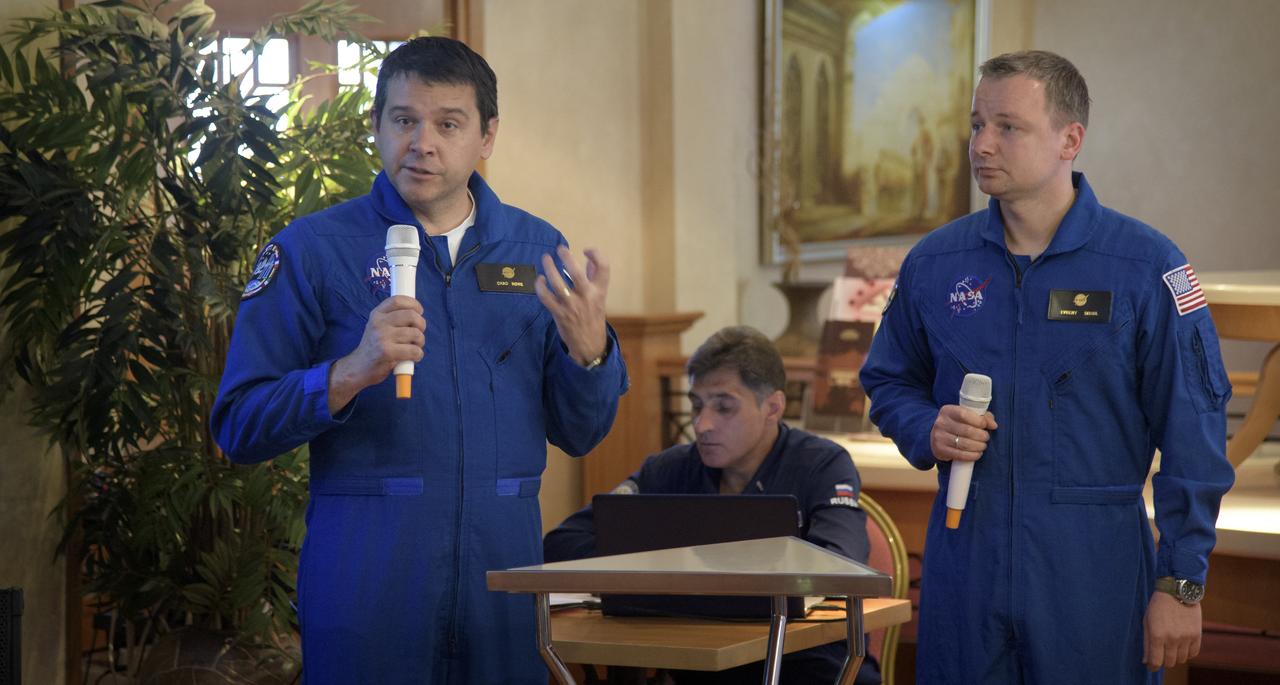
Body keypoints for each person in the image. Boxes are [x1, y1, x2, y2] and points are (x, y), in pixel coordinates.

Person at [211, 37, 628, 684]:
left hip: (502, 585)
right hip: (368, 584)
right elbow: (238, 424)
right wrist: (350, 371)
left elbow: (582, 433)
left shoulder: (536, 248)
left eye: (448, 123)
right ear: (376, 125)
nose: (422, 142)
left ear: (487, 136)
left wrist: (591, 352)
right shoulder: (312, 250)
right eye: (404, 119)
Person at [859, 50, 1235, 684]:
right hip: (965, 556)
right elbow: (888, 379)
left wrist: (1182, 581)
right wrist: (927, 429)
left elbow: (1194, 434)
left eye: (1008, 126)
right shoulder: (936, 263)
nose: (983, 144)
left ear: (1071, 139)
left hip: (1093, 566)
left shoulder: (1144, 268)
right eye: (977, 124)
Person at [545, 326, 880, 685]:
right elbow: (562, 543)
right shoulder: (670, 468)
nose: (702, 425)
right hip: (698, 659)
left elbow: (840, 561)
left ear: (773, 407)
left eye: (724, 407)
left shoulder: (822, 463)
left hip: (805, 660)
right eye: (696, 405)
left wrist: (687, 563)